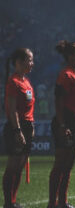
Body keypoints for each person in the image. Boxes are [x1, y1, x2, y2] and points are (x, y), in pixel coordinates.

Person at [49, 40, 75, 208]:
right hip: (65, 120)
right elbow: (59, 101)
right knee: (60, 165)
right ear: (71, 56)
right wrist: (62, 125)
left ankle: (63, 202)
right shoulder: (65, 75)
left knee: (68, 166)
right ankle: (52, 203)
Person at [3, 48, 34, 208]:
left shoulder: (26, 81)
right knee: (13, 165)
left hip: (27, 126)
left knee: (20, 166)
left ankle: (13, 201)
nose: (32, 63)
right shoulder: (13, 81)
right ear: (19, 62)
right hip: (17, 127)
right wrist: (17, 131)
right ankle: (8, 203)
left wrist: (30, 126)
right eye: (29, 60)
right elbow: (12, 108)